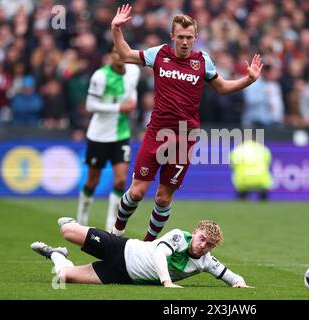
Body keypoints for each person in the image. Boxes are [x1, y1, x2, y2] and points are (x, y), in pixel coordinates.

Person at [110, 4, 264, 240]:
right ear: (172, 36)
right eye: (180, 37)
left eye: (189, 37)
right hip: (156, 133)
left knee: (163, 197)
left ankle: (148, 246)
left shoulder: (202, 60)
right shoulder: (159, 54)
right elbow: (125, 54)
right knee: (138, 191)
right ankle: (116, 232)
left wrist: (248, 80)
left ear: (196, 38)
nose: (184, 42)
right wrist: (116, 29)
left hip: (185, 137)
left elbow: (222, 87)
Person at [30, 218, 252, 288]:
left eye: (210, 244)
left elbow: (229, 275)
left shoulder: (205, 261)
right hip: (123, 249)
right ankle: (74, 223)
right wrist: (166, 282)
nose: (204, 245)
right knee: (66, 230)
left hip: (122, 276)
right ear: (194, 233)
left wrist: (239, 283)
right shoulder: (178, 237)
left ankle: (56, 254)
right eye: (202, 238)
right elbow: (159, 255)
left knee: (62, 276)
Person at [77, 46, 140, 232]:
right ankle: (81, 218)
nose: (118, 55)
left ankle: (111, 223)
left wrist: (133, 101)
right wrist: (119, 108)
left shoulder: (134, 71)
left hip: (121, 134)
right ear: (110, 55)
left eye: (121, 52)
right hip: (98, 135)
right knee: (92, 180)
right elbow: (90, 105)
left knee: (121, 180)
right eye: (114, 52)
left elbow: (132, 90)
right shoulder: (100, 76)